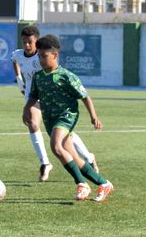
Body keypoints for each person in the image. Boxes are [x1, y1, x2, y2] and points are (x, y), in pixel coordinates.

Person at [22, 35, 114, 202]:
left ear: (55, 55)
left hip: (66, 116)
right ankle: (104, 184)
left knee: (56, 146)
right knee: (74, 157)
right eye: (39, 56)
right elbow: (33, 96)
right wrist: (26, 109)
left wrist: (93, 117)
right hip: (50, 119)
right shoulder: (38, 76)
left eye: (44, 56)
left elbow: (84, 96)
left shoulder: (66, 76)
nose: (41, 60)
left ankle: (81, 184)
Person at [12, 25, 98, 182]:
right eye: (24, 42)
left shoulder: (44, 56)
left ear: (37, 42)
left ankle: (88, 157)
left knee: (62, 134)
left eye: (30, 42)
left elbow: (58, 72)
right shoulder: (18, 54)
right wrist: (19, 80)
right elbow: (15, 60)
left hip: (50, 98)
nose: (27, 45)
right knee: (33, 124)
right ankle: (45, 163)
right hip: (33, 97)